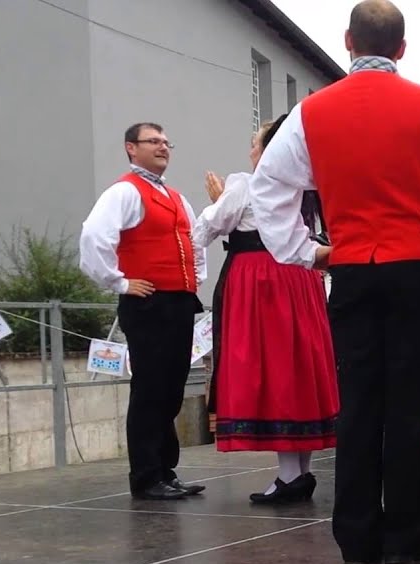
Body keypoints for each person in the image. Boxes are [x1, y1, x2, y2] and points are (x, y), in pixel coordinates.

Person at [249, 0, 420, 564]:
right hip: (417, 267)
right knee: (410, 405)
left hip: (352, 270)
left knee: (360, 401)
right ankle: (409, 534)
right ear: (403, 49)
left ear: (347, 41)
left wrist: (307, 251)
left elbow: (268, 189)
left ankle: (357, 537)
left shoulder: (312, 112)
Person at [193, 115, 339, 504]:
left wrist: (221, 204)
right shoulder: (308, 190)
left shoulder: (246, 183)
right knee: (296, 368)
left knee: (275, 368)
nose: (250, 151)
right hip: (302, 279)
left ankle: (292, 475)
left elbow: (201, 231)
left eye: (255, 144)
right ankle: (298, 471)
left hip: (263, 280)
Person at [80, 122, 208, 501]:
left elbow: (194, 240)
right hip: (148, 301)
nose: (163, 147)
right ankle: (147, 476)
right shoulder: (123, 192)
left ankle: (165, 470)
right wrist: (119, 282)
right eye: (153, 141)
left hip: (178, 301)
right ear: (131, 148)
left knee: (171, 388)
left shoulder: (175, 196)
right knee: (151, 389)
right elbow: (93, 236)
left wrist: (194, 279)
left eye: (167, 142)